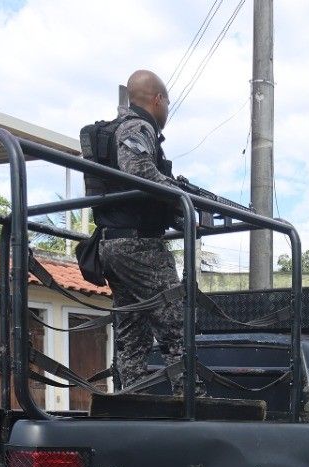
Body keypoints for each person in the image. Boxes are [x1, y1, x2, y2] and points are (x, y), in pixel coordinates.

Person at [92, 70, 188, 391]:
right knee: (177, 326)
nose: (167, 112)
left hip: (113, 245)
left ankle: (130, 399)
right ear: (157, 100)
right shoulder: (138, 126)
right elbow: (138, 170)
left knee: (132, 331)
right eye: (168, 104)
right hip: (139, 245)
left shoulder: (113, 130)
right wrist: (180, 195)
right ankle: (193, 401)